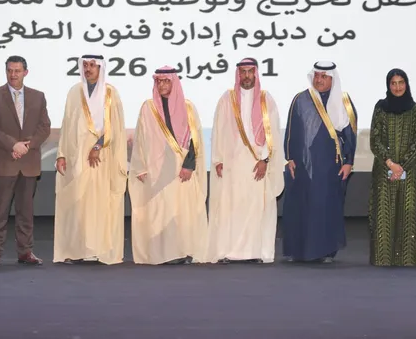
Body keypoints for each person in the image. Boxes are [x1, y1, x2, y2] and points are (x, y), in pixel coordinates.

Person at [206, 58, 286, 264]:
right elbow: (218, 130)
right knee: (231, 208)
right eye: (243, 72)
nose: (247, 76)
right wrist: (217, 160)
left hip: (256, 163)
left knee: (256, 208)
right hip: (232, 164)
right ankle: (229, 251)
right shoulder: (227, 99)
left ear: (256, 74)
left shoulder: (266, 100)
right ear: (238, 74)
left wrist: (265, 160)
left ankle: (255, 252)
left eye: (250, 71)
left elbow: (273, 134)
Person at [128, 66, 208, 265]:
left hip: (181, 169)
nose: (162, 85)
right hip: (156, 170)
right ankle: (161, 254)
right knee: (159, 212)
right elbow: (140, 139)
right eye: (158, 81)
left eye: (166, 81)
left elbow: (195, 139)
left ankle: (182, 252)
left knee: (181, 211)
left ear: (174, 82)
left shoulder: (188, 107)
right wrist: (140, 167)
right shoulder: (148, 108)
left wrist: (189, 165)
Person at [54, 55, 128, 264]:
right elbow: (67, 124)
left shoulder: (111, 93)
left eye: (92, 65)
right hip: (77, 157)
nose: (88, 69)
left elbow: (115, 127)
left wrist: (97, 146)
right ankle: (78, 251)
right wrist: (61, 154)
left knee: (100, 204)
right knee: (79, 204)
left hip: (102, 158)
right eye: (85, 65)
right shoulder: (74, 92)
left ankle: (99, 250)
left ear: (100, 68)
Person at [282, 61, 357, 263]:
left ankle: (325, 251)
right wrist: (290, 157)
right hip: (303, 164)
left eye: (324, 76)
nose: (319, 80)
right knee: (301, 206)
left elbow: (350, 134)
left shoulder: (343, 101)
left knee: (326, 207)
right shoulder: (301, 99)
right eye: (317, 75)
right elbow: (291, 130)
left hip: (331, 166)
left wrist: (349, 162)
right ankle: (298, 251)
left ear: (333, 79)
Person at [0, 56, 51, 267]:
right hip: (4, 162)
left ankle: (26, 252)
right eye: (10, 70)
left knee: (26, 213)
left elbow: (44, 127)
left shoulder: (38, 97)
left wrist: (27, 146)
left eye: (17, 71)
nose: (13, 74)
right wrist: (13, 145)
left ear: (25, 72)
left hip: (29, 164)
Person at [368, 68, 416, 266]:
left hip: (409, 171)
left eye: (401, 83)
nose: (397, 87)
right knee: (383, 213)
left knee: (408, 212)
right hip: (384, 168)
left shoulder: (415, 110)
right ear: (388, 85)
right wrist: (390, 164)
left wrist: (401, 167)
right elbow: (375, 140)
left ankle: (409, 259)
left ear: (406, 84)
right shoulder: (380, 108)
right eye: (393, 83)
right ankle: (383, 258)